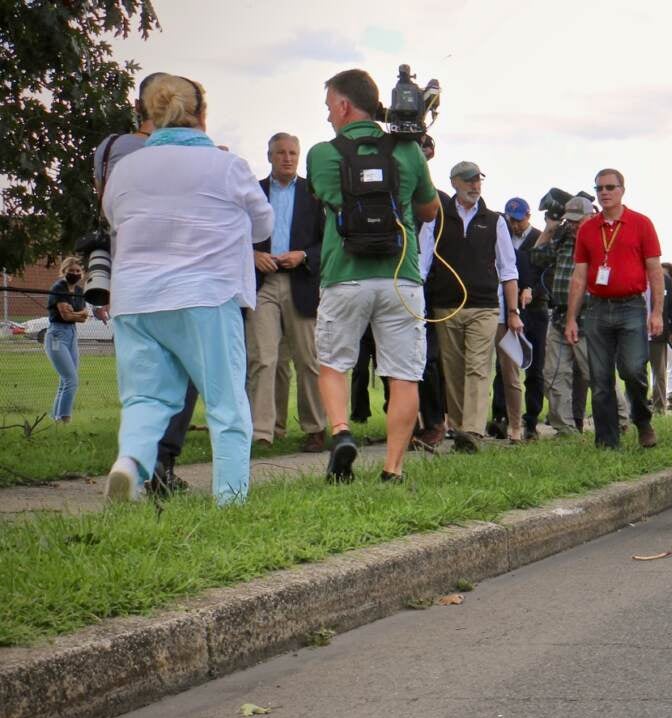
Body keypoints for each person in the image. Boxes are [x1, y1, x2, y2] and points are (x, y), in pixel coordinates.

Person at [102, 74, 273, 504]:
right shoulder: (226, 165)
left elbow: (114, 218)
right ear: (202, 114)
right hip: (205, 294)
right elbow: (264, 225)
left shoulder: (125, 168)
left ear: (148, 115)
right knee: (226, 402)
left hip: (135, 296)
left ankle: (131, 463)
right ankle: (231, 498)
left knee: (146, 396)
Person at [307, 68, 440, 483]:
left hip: (344, 275)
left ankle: (342, 432)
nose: (329, 115)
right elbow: (430, 210)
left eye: (330, 105)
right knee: (403, 374)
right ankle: (393, 468)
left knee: (333, 364)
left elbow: (324, 198)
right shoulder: (408, 150)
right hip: (401, 277)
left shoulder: (321, 154)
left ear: (345, 105)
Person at [94, 71, 192, 495]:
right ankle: (163, 463)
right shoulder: (181, 152)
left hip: (127, 273)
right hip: (178, 272)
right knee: (184, 371)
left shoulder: (111, 147)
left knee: (141, 379)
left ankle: (134, 461)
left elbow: (106, 205)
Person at [564, 169, 664, 450]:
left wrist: (656, 312)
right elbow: (579, 276)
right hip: (597, 308)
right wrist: (572, 318)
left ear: (622, 189)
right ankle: (607, 441)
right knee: (600, 377)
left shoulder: (641, 224)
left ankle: (642, 420)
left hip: (631, 306)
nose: (604, 192)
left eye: (610, 187)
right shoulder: (587, 228)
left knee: (633, 369)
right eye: (599, 188)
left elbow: (655, 271)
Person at [424, 161, 520, 452]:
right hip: (446, 305)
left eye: (478, 180)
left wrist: (513, 312)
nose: (474, 185)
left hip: (484, 306)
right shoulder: (436, 218)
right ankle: (458, 426)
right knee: (452, 369)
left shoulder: (495, 220)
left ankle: (474, 432)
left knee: (478, 367)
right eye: (467, 180)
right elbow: (422, 263)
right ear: (454, 183)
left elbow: (508, 269)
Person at [248, 132, 327, 452]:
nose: (287, 158)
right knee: (263, 358)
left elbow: (329, 242)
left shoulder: (314, 193)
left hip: (301, 281)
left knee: (307, 359)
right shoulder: (254, 192)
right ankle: (263, 432)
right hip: (262, 283)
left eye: (293, 152)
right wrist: (252, 255)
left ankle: (316, 429)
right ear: (269, 156)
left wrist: (305, 256)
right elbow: (234, 234)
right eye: (280, 152)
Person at [535, 194, 596, 433]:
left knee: (596, 374)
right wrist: (549, 229)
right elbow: (536, 257)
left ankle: (618, 422)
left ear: (590, 217)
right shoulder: (563, 239)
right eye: (569, 220)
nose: (572, 225)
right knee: (553, 374)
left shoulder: (600, 240)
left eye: (577, 221)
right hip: (559, 316)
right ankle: (565, 429)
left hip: (588, 317)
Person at [491, 196, 547, 439]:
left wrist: (533, 289)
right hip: (507, 307)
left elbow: (547, 272)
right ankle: (500, 416)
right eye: (510, 219)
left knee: (535, 366)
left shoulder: (540, 238)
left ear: (528, 216)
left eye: (518, 220)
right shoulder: (501, 236)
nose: (514, 225)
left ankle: (531, 419)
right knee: (504, 365)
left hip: (534, 309)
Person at [44, 256, 95, 423]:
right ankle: (65, 420)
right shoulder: (58, 288)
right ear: (63, 271)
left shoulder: (80, 291)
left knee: (65, 382)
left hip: (72, 335)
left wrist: (76, 314)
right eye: (71, 271)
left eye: (78, 271)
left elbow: (85, 315)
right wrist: (76, 314)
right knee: (71, 380)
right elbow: (66, 316)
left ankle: (56, 419)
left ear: (82, 273)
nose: (75, 273)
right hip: (57, 336)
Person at [650, 263, 672, 412]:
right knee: (634, 372)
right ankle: (634, 408)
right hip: (634, 333)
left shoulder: (665, 281)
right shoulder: (635, 277)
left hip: (658, 334)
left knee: (659, 374)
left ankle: (659, 409)